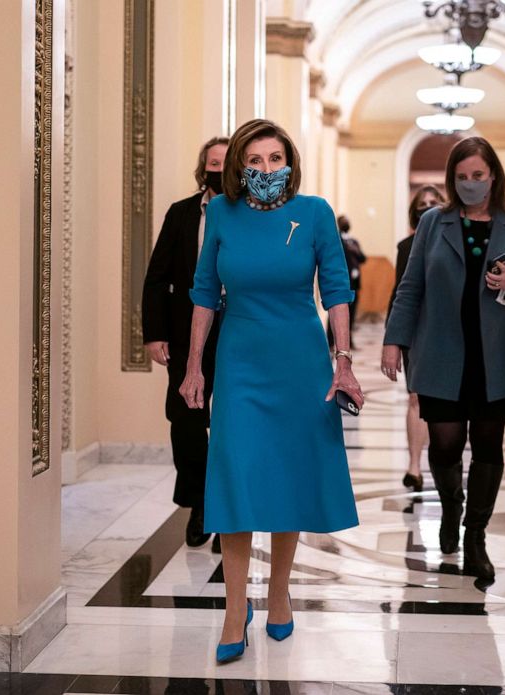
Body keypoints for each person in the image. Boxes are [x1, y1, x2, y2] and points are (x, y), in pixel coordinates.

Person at [179, 119, 362, 665]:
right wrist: (194, 366)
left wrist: (344, 360)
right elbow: (205, 292)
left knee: (287, 479)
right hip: (240, 363)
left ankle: (278, 591)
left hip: (301, 363)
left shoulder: (314, 213)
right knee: (234, 479)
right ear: (238, 167)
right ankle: (236, 608)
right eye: (253, 161)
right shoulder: (222, 214)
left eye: (275, 159)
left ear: (290, 162)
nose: (265, 170)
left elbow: (336, 288)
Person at [382, 136, 505, 581]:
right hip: (441, 351)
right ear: (452, 180)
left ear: (494, 176)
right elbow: (411, 286)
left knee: (489, 447)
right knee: (446, 444)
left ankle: (475, 536)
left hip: (497, 355)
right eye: (462, 177)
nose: (471, 184)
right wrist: (394, 340)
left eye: (478, 176)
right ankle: (451, 507)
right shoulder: (434, 222)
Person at [142, 136, 228, 550]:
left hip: (236, 333)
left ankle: (229, 510)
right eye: (214, 163)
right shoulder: (181, 214)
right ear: (203, 168)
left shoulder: (252, 215)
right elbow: (157, 276)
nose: (220, 170)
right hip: (184, 334)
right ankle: (199, 502)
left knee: (230, 421)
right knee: (186, 420)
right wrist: (154, 333)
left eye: (228, 164)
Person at [389, 185, 446, 492]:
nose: (427, 207)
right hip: (417, 331)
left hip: (449, 332)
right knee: (416, 397)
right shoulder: (405, 246)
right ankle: (414, 465)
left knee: (444, 403)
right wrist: (393, 338)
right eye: (422, 204)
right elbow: (400, 293)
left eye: (433, 203)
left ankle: (442, 465)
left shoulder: (455, 241)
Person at [328, 215, 366, 349]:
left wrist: (355, 250)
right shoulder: (337, 240)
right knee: (337, 310)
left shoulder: (353, 241)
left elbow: (363, 258)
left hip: (355, 283)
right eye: (344, 222)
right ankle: (332, 342)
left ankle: (349, 341)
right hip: (343, 282)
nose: (346, 224)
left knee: (352, 313)